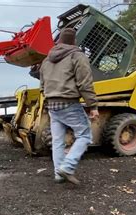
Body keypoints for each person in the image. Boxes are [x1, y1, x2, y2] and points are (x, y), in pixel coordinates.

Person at [39, 28, 99, 184]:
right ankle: (67, 166)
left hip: (52, 105)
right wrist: (93, 106)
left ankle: (59, 174)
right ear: (74, 42)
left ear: (58, 41)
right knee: (85, 135)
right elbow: (85, 83)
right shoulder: (77, 56)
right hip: (69, 103)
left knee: (58, 141)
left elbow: (42, 85)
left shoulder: (46, 60)